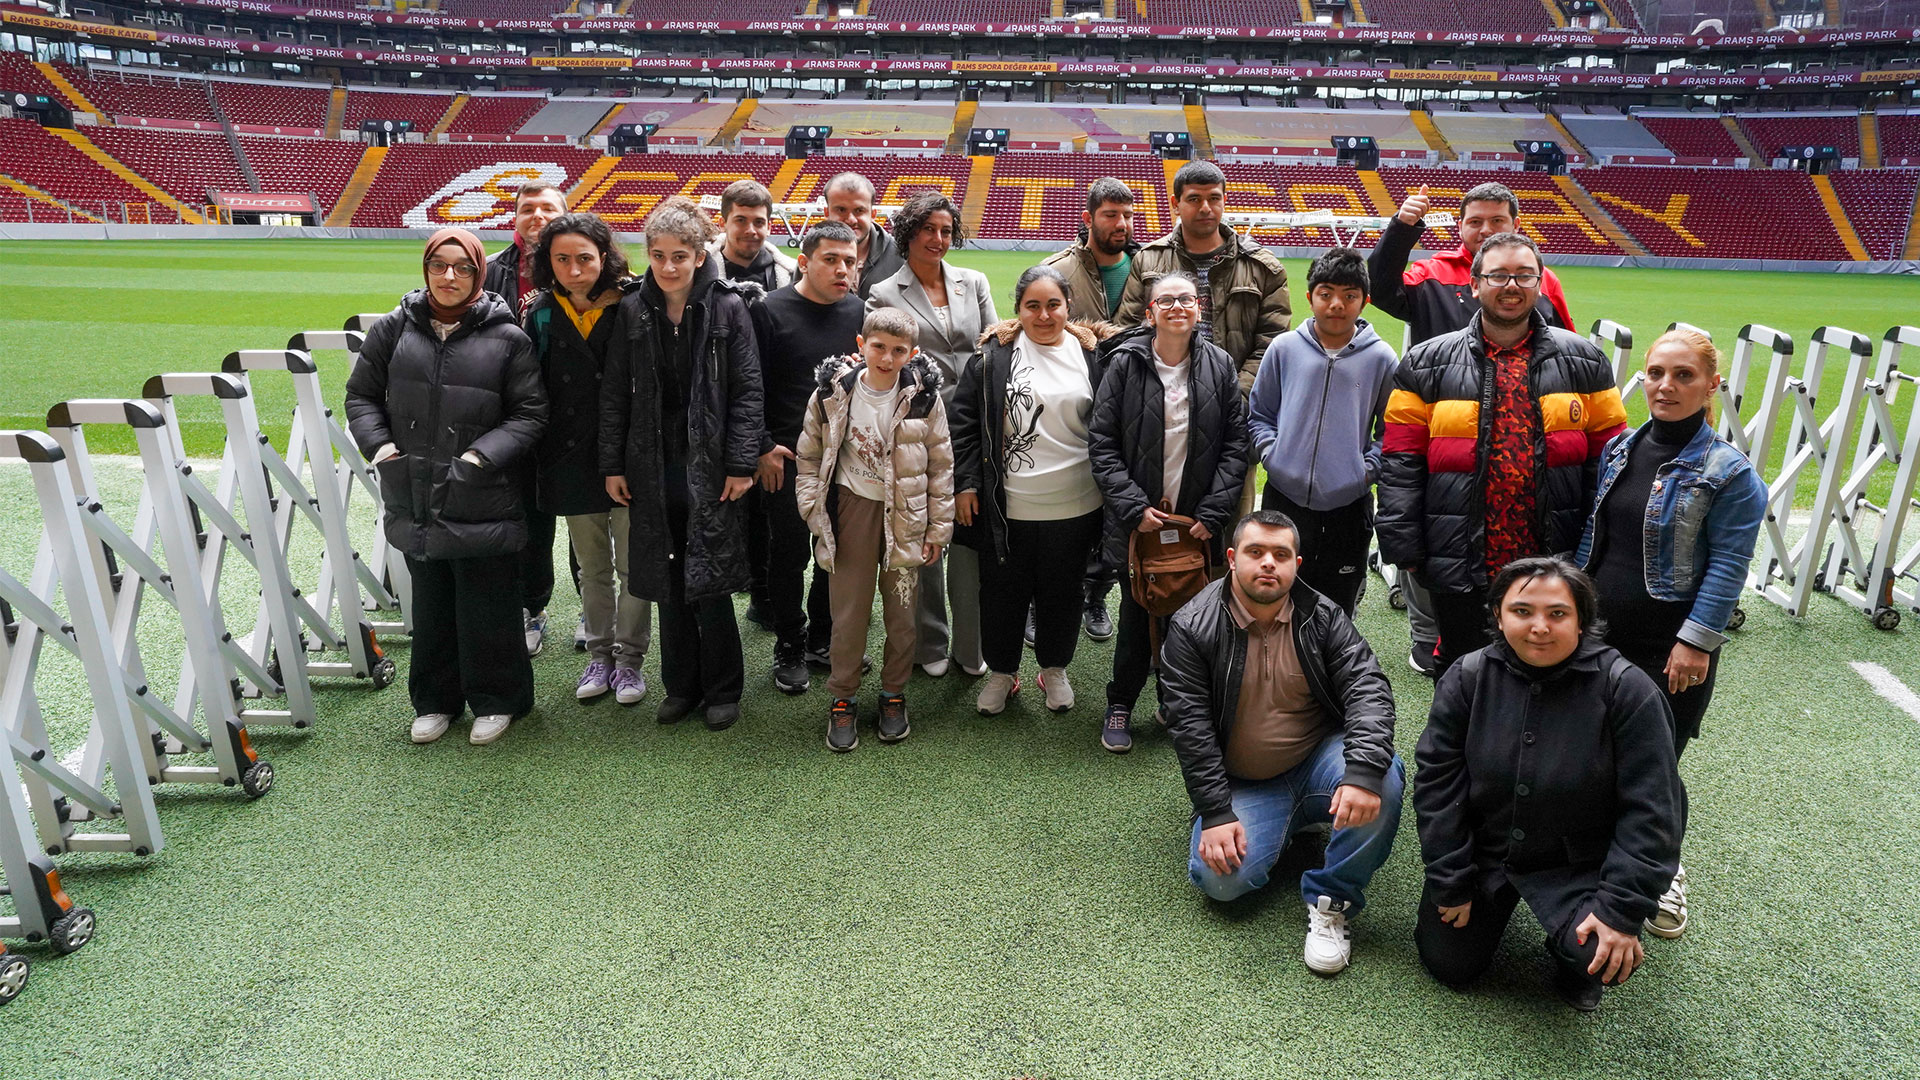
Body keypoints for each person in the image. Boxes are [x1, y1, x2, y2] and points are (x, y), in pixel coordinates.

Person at [1414, 557, 1681, 1012]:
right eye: (1522, 611)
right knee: (1449, 963)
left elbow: (1654, 811)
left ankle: (1570, 953)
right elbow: (1438, 786)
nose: (1539, 627)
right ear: (1499, 616)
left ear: (1582, 621)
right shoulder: (1467, 677)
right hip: (1487, 854)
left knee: (1596, 958)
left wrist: (1620, 910)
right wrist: (1451, 879)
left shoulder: (1627, 690)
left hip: (1581, 862)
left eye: (1558, 613)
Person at [1575, 328, 1765, 940]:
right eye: (1657, 372)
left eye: (1684, 375)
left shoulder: (1730, 473)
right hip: (1599, 633)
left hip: (1668, 645)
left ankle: (1664, 866)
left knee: (1655, 762)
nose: (1665, 386)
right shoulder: (1619, 449)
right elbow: (1595, 540)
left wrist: (1697, 640)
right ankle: (1600, 856)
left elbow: (1730, 564)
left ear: (1712, 386)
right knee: (1591, 749)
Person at [1159, 511, 1403, 977]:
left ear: (1296, 564)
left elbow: (1368, 688)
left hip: (1317, 760)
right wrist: (1215, 811)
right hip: (1245, 781)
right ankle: (1292, 825)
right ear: (1233, 559)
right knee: (1221, 884)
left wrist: (1361, 772)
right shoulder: (1192, 626)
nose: (1268, 563)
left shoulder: (1323, 615)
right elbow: (1189, 727)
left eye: (1280, 554)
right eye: (1256, 552)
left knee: (1382, 777)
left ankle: (1332, 899)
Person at [1375, 233, 1626, 676]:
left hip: (1555, 555)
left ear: (1540, 284)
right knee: (1462, 672)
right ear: (1475, 285)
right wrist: (1403, 543)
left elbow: (1609, 465)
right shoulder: (1425, 363)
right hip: (1458, 553)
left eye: (1524, 275)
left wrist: (1597, 546)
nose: (1512, 285)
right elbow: (1400, 461)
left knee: (1550, 674)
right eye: (1498, 275)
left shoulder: (1585, 361)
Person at [1366, 180, 1575, 677]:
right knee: (1443, 566)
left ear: (1515, 224)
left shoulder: (1540, 278)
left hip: (1518, 449)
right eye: (1475, 221)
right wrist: (1403, 228)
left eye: (1496, 220)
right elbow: (1379, 286)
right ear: (1459, 227)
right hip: (1446, 444)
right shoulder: (1433, 272)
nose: (1485, 229)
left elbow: (1564, 345)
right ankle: (1431, 643)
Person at [346, 228, 546, 746]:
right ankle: (435, 700)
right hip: (413, 491)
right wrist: (382, 449)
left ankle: (498, 700)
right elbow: (361, 396)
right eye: (439, 265)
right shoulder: (394, 327)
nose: (449, 276)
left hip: (482, 493)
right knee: (431, 604)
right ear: (426, 269)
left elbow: (529, 414)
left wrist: (480, 457)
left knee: (488, 603)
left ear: (479, 273)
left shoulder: (508, 337)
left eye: (462, 267)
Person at [600, 196, 762, 732]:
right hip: (652, 461)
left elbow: (747, 390)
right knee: (667, 573)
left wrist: (741, 462)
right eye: (658, 255)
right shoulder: (633, 308)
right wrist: (613, 464)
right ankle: (681, 686)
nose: (668, 267)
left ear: (699, 255)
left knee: (709, 573)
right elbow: (614, 395)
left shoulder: (728, 306)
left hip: (711, 462)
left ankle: (722, 689)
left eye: (679, 256)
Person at [1087, 271, 1248, 754]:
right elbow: (1102, 443)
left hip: (1195, 523)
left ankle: (1173, 699)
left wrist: (1213, 513)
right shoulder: (1125, 364)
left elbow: (1236, 445)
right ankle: (1120, 702)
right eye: (1166, 301)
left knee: (1190, 617)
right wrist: (1133, 507)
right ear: (1149, 313)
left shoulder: (1219, 364)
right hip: (1140, 523)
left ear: (1198, 308)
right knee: (1138, 614)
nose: (1177, 307)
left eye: (1186, 299)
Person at [950, 265, 1112, 715]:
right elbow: (963, 425)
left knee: (1063, 593)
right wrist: (966, 484)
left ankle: (1054, 669)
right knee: (1001, 593)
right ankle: (1002, 673)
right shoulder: (991, 357)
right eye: (1033, 306)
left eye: (1053, 305)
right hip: (1008, 507)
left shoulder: (1095, 357)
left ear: (1068, 306)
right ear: (1017, 310)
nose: (1044, 315)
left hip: (1077, 503)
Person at [795, 307, 955, 752]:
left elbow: (941, 466)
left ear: (912, 353)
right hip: (852, 512)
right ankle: (843, 697)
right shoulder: (832, 392)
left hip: (906, 515)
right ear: (861, 345)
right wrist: (812, 509)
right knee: (848, 615)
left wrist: (937, 530)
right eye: (879, 347)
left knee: (902, 616)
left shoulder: (924, 399)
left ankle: (893, 694)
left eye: (898, 351)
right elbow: (808, 455)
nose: (887, 358)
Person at [521, 212, 651, 707]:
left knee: (633, 567)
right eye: (562, 259)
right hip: (570, 458)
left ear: (604, 257)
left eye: (584, 258)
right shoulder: (541, 312)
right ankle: (600, 655)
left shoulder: (633, 303)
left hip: (628, 456)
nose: (574, 270)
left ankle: (630, 659)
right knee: (592, 569)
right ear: (548, 262)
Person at [867, 191, 996, 680]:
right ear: (908, 233)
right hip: (919, 425)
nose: (938, 239)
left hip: (976, 423)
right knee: (923, 534)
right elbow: (884, 362)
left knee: (970, 536)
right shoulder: (884, 292)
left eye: (945, 230)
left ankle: (971, 645)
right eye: (928, 229)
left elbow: (991, 344)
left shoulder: (974, 281)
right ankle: (930, 642)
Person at [747, 221, 869, 693]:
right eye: (830, 259)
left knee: (832, 554)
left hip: (843, 459)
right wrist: (762, 446)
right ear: (803, 262)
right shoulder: (769, 310)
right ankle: (789, 642)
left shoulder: (857, 310)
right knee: (789, 554)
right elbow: (749, 384)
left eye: (849, 261)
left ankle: (822, 637)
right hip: (787, 458)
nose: (842, 270)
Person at [1248, 247, 1397, 617]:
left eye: (1349, 296)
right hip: (1284, 496)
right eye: (1326, 293)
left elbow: (1392, 430)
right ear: (1310, 296)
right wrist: (1274, 456)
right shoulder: (1284, 348)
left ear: (1365, 301)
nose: (1336, 304)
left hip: (1349, 504)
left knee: (1337, 604)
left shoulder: (1381, 358)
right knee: (1276, 593)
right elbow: (1259, 414)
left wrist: (1364, 471)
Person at [1042, 176, 1140, 642]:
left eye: (1127, 215)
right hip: (1071, 406)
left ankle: (1096, 595)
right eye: (1110, 214)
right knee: (1062, 508)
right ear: (1088, 218)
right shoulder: (1057, 270)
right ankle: (1045, 599)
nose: (1121, 223)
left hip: (1132, 407)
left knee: (1113, 509)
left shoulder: (1148, 266)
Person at [1113, 159, 1290, 396]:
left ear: (1224, 200)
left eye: (1214, 198)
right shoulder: (1147, 261)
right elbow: (1128, 333)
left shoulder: (1263, 268)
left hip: (1235, 402)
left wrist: (1233, 400)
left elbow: (1271, 345)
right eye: (1194, 199)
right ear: (1175, 204)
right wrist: (1159, 395)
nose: (1205, 208)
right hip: (1162, 400)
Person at [482, 180, 567, 658]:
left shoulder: (586, 263)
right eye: (527, 208)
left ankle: (594, 612)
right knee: (528, 518)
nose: (537, 216)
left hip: (572, 412)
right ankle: (532, 606)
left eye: (547, 208)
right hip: (512, 415)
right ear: (514, 217)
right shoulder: (491, 270)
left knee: (586, 517)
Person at [823, 172, 904, 301]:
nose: (851, 220)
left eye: (859, 211)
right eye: (841, 210)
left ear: (873, 214)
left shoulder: (902, 256)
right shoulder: (812, 256)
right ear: (826, 212)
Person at [708, 178, 796, 291]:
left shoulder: (795, 277)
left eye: (759, 222)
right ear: (722, 224)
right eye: (741, 220)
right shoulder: (698, 275)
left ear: (768, 227)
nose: (751, 230)